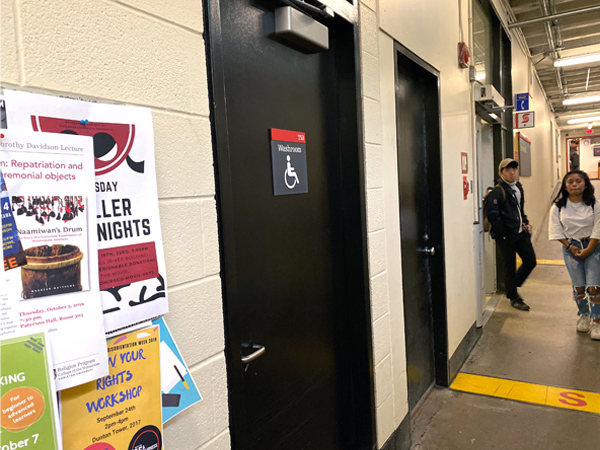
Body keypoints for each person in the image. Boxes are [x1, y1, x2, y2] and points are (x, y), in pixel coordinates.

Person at [549, 170, 600, 339]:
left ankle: (597, 321)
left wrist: (589, 248)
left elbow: (598, 228)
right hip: (571, 248)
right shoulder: (558, 208)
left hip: (594, 247)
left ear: (585, 184)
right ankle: (584, 316)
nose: (574, 184)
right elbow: (556, 231)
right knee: (579, 287)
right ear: (565, 186)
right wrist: (570, 246)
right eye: (570, 182)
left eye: (578, 181)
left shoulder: (595, 204)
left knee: (593, 287)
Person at [486, 158, 537, 311]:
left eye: (514, 169)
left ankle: (511, 286)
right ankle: (514, 297)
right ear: (500, 173)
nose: (512, 172)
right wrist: (503, 235)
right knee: (509, 266)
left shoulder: (518, 187)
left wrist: (525, 223)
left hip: (521, 233)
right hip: (507, 236)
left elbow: (520, 211)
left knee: (530, 261)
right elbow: (493, 216)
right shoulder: (497, 192)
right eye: (507, 170)